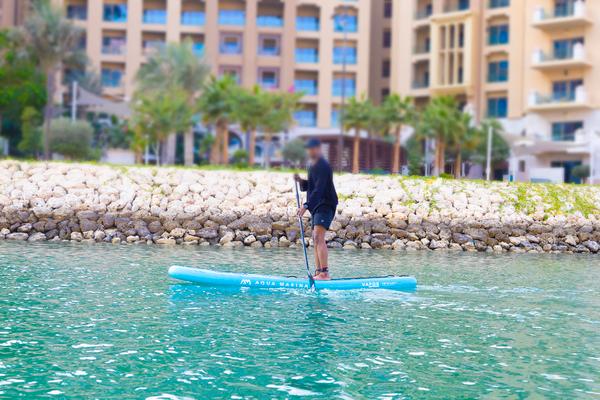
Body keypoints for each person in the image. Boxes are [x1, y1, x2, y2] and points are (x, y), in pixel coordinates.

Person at [294, 138, 338, 280]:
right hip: (318, 205)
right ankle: (319, 272)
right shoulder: (312, 165)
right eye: (308, 148)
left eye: (313, 148)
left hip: (325, 203)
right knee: (315, 238)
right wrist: (301, 182)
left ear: (319, 148)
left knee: (319, 237)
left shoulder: (323, 165)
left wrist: (306, 205)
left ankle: (324, 273)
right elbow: (312, 186)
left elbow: (319, 189)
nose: (310, 151)